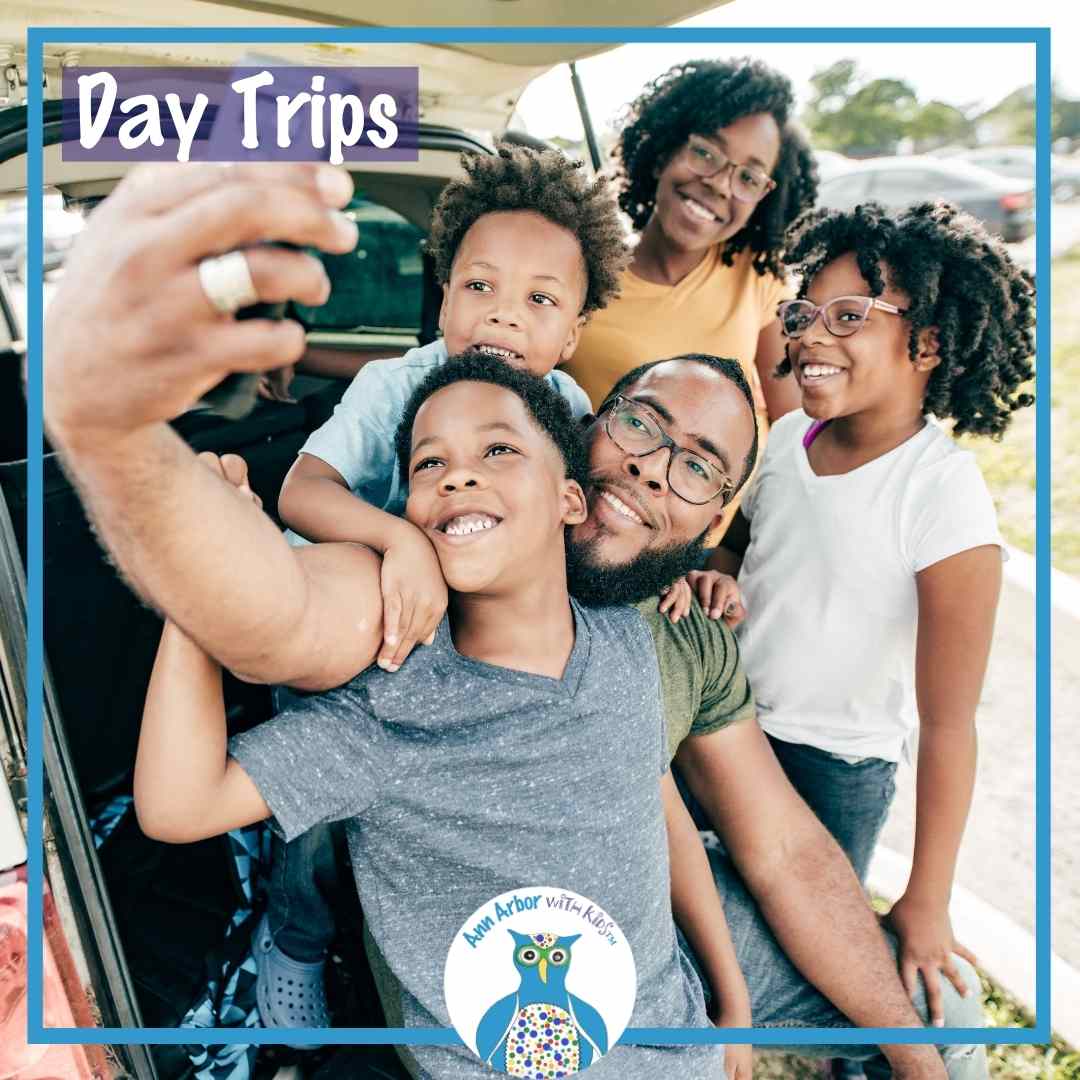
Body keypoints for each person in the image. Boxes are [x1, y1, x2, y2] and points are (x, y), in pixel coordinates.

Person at [45, 161, 981, 1079]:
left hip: (654, 985)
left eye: (699, 467)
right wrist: (124, 444)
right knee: (310, 863)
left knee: (948, 1010)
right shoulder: (423, 611)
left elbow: (750, 833)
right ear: (584, 452)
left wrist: (744, 1008)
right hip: (504, 1003)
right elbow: (283, 615)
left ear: (713, 522)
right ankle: (299, 936)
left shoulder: (653, 635)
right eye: (642, 426)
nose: (652, 469)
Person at [135, 355, 740, 1079]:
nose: (457, 476)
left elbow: (650, 806)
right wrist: (193, 596)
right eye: (429, 465)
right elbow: (178, 806)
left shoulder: (628, 643)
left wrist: (730, 1003)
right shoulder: (391, 711)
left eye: (499, 450)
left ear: (571, 501)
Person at [699, 199, 1034, 1042]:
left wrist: (927, 896)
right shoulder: (786, 443)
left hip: (832, 772)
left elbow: (950, 724)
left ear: (927, 345)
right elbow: (738, 551)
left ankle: (859, 1055)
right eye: (802, 314)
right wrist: (714, 583)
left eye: (848, 316)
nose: (810, 337)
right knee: (712, 932)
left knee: (822, 957)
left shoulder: (942, 493)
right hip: (725, 733)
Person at [275, 141, 628, 673]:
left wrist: (665, 573)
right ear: (444, 303)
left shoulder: (566, 404)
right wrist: (400, 541)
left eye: (539, 299)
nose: (504, 314)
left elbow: (586, 514)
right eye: (480, 286)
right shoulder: (393, 385)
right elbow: (301, 493)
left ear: (573, 334)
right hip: (333, 600)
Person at [560, 57, 817, 539]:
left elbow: (795, 439)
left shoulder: (759, 280)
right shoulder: (579, 274)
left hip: (709, 551)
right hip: (596, 528)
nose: (719, 183)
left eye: (748, 178)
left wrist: (732, 553)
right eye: (704, 152)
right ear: (664, 148)